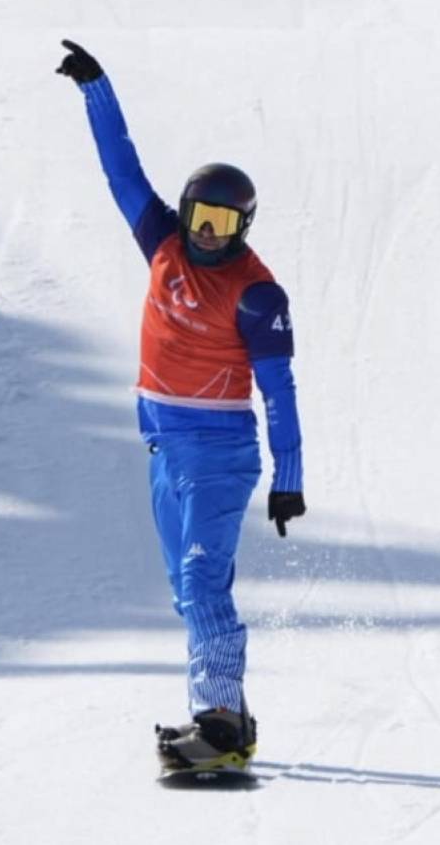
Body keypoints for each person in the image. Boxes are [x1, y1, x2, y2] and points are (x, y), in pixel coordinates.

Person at [56, 40, 306, 773]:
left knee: (201, 582)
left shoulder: (257, 292)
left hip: (218, 451)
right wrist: (97, 88)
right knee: (187, 589)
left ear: (244, 229)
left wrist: (289, 474)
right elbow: (121, 169)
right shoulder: (162, 243)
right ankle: (225, 714)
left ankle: (222, 725)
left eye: (223, 225)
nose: (205, 232)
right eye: (201, 216)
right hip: (163, 445)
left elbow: (280, 388)